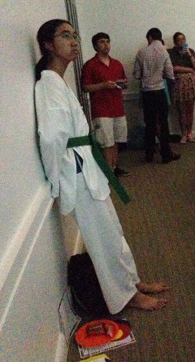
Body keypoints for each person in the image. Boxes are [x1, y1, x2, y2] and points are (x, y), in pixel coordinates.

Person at [35, 20, 171, 312]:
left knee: (113, 229)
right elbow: (51, 138)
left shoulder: (58, 81)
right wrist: (56, 180)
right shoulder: (47, 84)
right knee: (102, 238)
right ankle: (124, 295)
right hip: (77, 170)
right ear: (47, 45)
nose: (73, 41)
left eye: (74, 35)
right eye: (65, 36)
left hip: (88, 165)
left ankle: (132, 281)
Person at [81, 32, 130, 177]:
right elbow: (85, 88)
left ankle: (114, 167)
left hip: (118, 108)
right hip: (101, 109)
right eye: (102, 42)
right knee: (106, 142)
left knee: (116, 140)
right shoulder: (90, 65)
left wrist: (123, 84)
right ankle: (108, 172)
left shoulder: (117, 63)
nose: (106, 45)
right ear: (95, 46)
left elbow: (125, 82)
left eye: (108, 41)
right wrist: (103, 85)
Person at [132, 27, 179, 163]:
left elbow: (136, 74)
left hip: (147, 92)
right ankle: (165, 154)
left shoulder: (142, 52)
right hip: (160, 91)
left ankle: (149, 154)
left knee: (149, 124)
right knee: (163, 123)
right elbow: (170, 73)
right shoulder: (164, 51)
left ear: (150, 37)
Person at [169, 32, 195, 143]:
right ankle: (183, 134)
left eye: (183, 39)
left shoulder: (190, 51)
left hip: (190, 84)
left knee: (190, 110)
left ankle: (190, 133)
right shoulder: (171, 52)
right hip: (179, 84)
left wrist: (189, 55)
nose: (181, 42)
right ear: (175, 42)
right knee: (181, 110)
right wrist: (189, 70)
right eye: (179, 40)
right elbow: (173, 68)